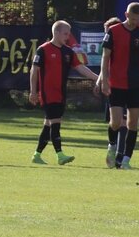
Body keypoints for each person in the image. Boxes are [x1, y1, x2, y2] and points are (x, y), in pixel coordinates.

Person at [28, 20, 98, 165]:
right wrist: (33, 91)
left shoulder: (68, 52)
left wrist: (98, 78)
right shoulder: (43, 49)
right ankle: (60, 155)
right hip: (48, 93)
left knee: (48, 124)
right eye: (65, 33)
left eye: (68, 34)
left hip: (61, 93)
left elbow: (80, 68)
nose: (68, 36)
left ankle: (36, 155)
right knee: (55, 123)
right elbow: (34, 71)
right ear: (56, 32)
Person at [97, 2, 139, 170]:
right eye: (132, 18)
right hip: (116, 83)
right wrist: (105, 79)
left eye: (138, 19)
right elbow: (105, 57)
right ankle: (111, 146)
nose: (135, 22)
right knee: (115, 122)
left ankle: (126, 160)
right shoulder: (113, 32)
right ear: (126, 14)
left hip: (136, 84)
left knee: (133, 123)